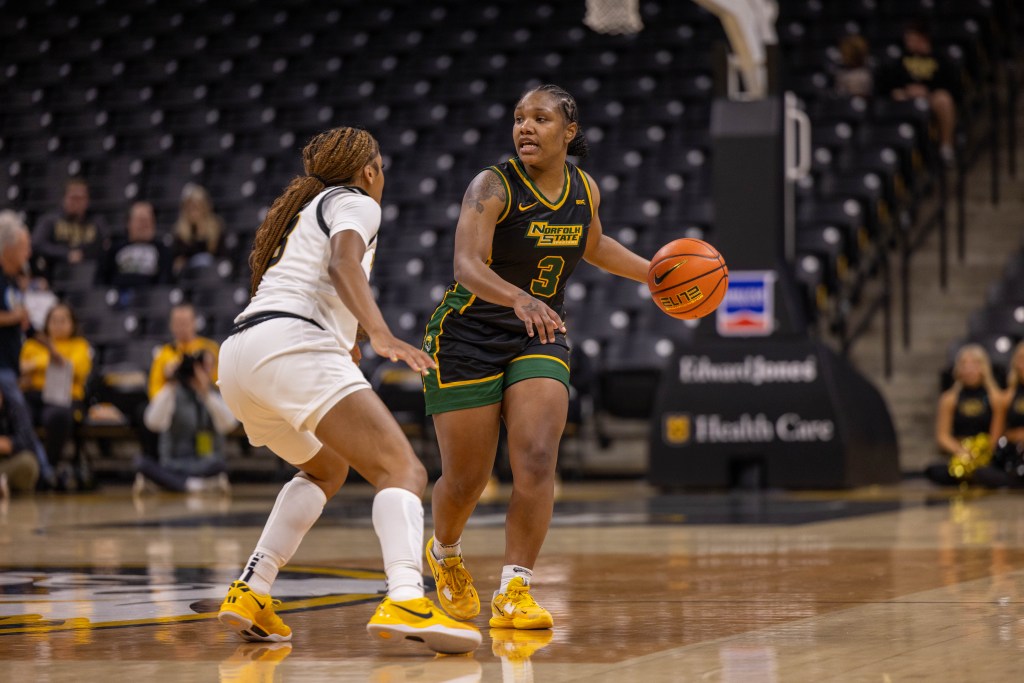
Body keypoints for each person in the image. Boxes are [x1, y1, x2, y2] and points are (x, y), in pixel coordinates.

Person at [215, 126, 480, 654]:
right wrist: (379, 334)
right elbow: (342, 263)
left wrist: (347, 338)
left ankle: (252, 588)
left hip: (240, 357)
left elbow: (307, 284)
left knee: (326, 468)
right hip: (290, 346)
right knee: (402, 469)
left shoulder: (304, 208)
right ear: (369, 171)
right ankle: (406, 596)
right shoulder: (358, 201)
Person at [421, 84, 650, 631]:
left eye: (540, 119)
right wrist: (518, 297)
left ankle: (515, 588)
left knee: (539, 458)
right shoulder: (492, 185)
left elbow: (593, 246)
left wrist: (654, 274)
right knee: (467, 481)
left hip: (537, 333)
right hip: (467, 336)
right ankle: (445, 553)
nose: (525, 127)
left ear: (569, 132)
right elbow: (466, 265)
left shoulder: (584, 188)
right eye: (519, 117)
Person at [0, 211, 56, 489]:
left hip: (10, 365)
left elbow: (25, 325)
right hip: (1, 368)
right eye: (24, 246)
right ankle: (46, 476)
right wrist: (15, 316)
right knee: (22, 419)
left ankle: (40, 473)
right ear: (8, 248)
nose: (29, 252)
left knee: (23, 419)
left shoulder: (13, 280)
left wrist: (50, 347)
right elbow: (13, 317)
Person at [133, 348, 234, 494]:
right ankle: (195, 485)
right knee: (141, 463)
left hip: (205, 463)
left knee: (221, 465)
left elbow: (229, 424)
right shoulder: (172, 393)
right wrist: (171, 382)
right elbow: (152, 422)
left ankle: (175, 484)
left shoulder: (213, 394)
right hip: (174, 464)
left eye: (205, 367)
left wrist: (205, 392)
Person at [20, 302, 94, 491]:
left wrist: (37, 364)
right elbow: (21, 369)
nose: (58, 325)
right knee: (18, 414)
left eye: (63, 320)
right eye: (54, 320)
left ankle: (48, 468)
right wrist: (51, 361)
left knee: (58, 416)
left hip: (64, 398)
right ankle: (30, 467)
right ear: (46, 323)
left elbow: (76, 369)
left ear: (72, 324)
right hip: (34, 397)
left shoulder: (79, 345)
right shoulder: (32, 345)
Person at [878, 20, 962, 165]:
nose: (908, 43)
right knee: (896, 97)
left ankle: (946, 146)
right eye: (907, 39)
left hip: (931, 98)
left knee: (943, 99)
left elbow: (953, 87)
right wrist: (903, 91)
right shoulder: (902, 60)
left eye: (912, 39)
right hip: (908, 101)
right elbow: (887, 84)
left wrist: (927, 91)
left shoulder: (939, 59)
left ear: (923, 38)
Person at [927, 344, 1007, 487]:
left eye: (975, 364)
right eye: (964, 365)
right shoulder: (949, 399)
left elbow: (996, 436)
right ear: (958, 370)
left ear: (984, 368)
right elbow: (942, 436)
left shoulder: (996, 398)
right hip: (960, 454)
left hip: (985, 456)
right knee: (933, 471)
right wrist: (960, 451)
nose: (969, 370)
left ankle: (976, 476)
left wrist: (980, 454)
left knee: (987, 474)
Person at [31, 177, 110, 281]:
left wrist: (83, 254)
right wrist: (66, 254)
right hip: (55, 274)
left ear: (87, 200)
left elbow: (105, 246)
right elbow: (37, 244)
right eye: (73, 198)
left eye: (81, 198)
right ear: (64, 199)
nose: (77, 202)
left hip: (89, 276)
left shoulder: (97, 222)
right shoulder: (50, 221)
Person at [100, 201, 172, 296]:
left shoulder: (163, 250)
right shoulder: (114, 248)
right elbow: (102, 280)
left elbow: (164, 282)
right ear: (128, 223)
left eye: (148, 220)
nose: (144, 225)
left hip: (149, 297)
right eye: (140, 220)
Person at [149, 304, 220, 400]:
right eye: (177, 323)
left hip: (204, 398)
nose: (181, 327)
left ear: (194, 322)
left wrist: (204, 374)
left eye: (184, 323)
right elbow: (154, 389)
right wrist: (171, 378)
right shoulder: (164, 353)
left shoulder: (209, 348)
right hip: (175, 401)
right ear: (171, 325)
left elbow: (220, 384)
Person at [172, 183, 225, 276]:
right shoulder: (179, 231)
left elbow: (221, 257)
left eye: (196, 207)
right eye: (189, 208)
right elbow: (178, 262)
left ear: (205, 208)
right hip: (189, 275)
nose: (193, 212)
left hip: (212, 274)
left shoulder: (216, 228)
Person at [993, 341, 1024, 485]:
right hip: (1015, 453)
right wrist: (1014, 435)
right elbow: (997, 435)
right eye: (1021, 360)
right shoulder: (1006, 397)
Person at [0, 389, 41, 497]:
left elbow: (27, 441)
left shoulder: (15, 408)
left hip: (9, 464)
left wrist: (9, 443)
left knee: (28, 463)